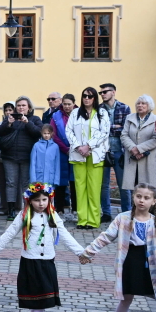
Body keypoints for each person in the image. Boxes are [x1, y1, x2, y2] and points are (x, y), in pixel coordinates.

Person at [81, 184, 156, 312]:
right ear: (133, 197)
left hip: (151, 266)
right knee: (126, 298)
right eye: (139, 196)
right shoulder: (122, 218)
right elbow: (106, 237)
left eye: (146, 198)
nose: (141, 200)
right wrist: (88, 252)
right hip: (130, 263)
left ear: (154, 201)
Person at [0, 184, 84, 312]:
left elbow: (64, 234)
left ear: (49, 199)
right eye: (37, 200)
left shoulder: (52, 215)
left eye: (44, 199)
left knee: (44, 292)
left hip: (47, 259)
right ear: (29, 200)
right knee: (37, 293)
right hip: (31, 260)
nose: (41, 203)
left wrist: (81, 252)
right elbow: (9, 234)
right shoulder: (25, 215)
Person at [67, 86, 112, 229]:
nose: (87, 98)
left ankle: (93, 220)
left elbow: (104, 132)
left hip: (95, 155)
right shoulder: (75, 113)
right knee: (80, 188)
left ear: (94, 98)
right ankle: (82, 219)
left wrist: (89, 146)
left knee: (93, 188)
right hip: (78, 155)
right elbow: (69, 131)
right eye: (84, 96)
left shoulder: (102, 112)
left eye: (90, 96)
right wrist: (79, 147)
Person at [0, 99, 43, 218]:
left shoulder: (35, 119)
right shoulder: (10, 118)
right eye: (18, 105)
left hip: (27, 157)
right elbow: (0, 132)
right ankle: (11, 210)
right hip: (10, 157)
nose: (21, 108)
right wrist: (9, 124)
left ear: (29, 107)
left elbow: (39, 132)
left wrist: (28, 123)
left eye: (23, 105)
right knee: (11, 183)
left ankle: (27, 208)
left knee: (26, 184)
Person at [120, 96, 156, 206]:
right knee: (134, 189)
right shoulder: (130, 118)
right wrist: (133, 148)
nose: (140, 105)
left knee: (149, 190)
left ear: (149, 106)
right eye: (138, 103)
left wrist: (139, 149)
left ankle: (150, 215)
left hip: (148, 158)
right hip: (132, 158)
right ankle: (134, 214)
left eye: (143, 103)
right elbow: (124, 135)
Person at [99, 83, 131, 218]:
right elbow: (98, 130)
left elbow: (126, 129)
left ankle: (126, 213)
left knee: (124, 185)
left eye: (105, 92)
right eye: (101, 93)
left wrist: (108, 128)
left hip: (120, 151)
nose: (102, 94)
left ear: (113, 92)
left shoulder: (124, 108)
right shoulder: (98, 109)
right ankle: (106, 213)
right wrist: (115, 127)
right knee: (103, 185)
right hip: (103, 151)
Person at [30, 121, 63, 192]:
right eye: (45, 133)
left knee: (50, 198)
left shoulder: (55, 147)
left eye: (48, 133)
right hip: (39, 178)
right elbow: (33, 163)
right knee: (39, 198)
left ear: (51, 134)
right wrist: (33, 179)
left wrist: (56, 180)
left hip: (50, 178)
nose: (46, 135)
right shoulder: (36, 145)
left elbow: (57, 164)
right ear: (41, 133)